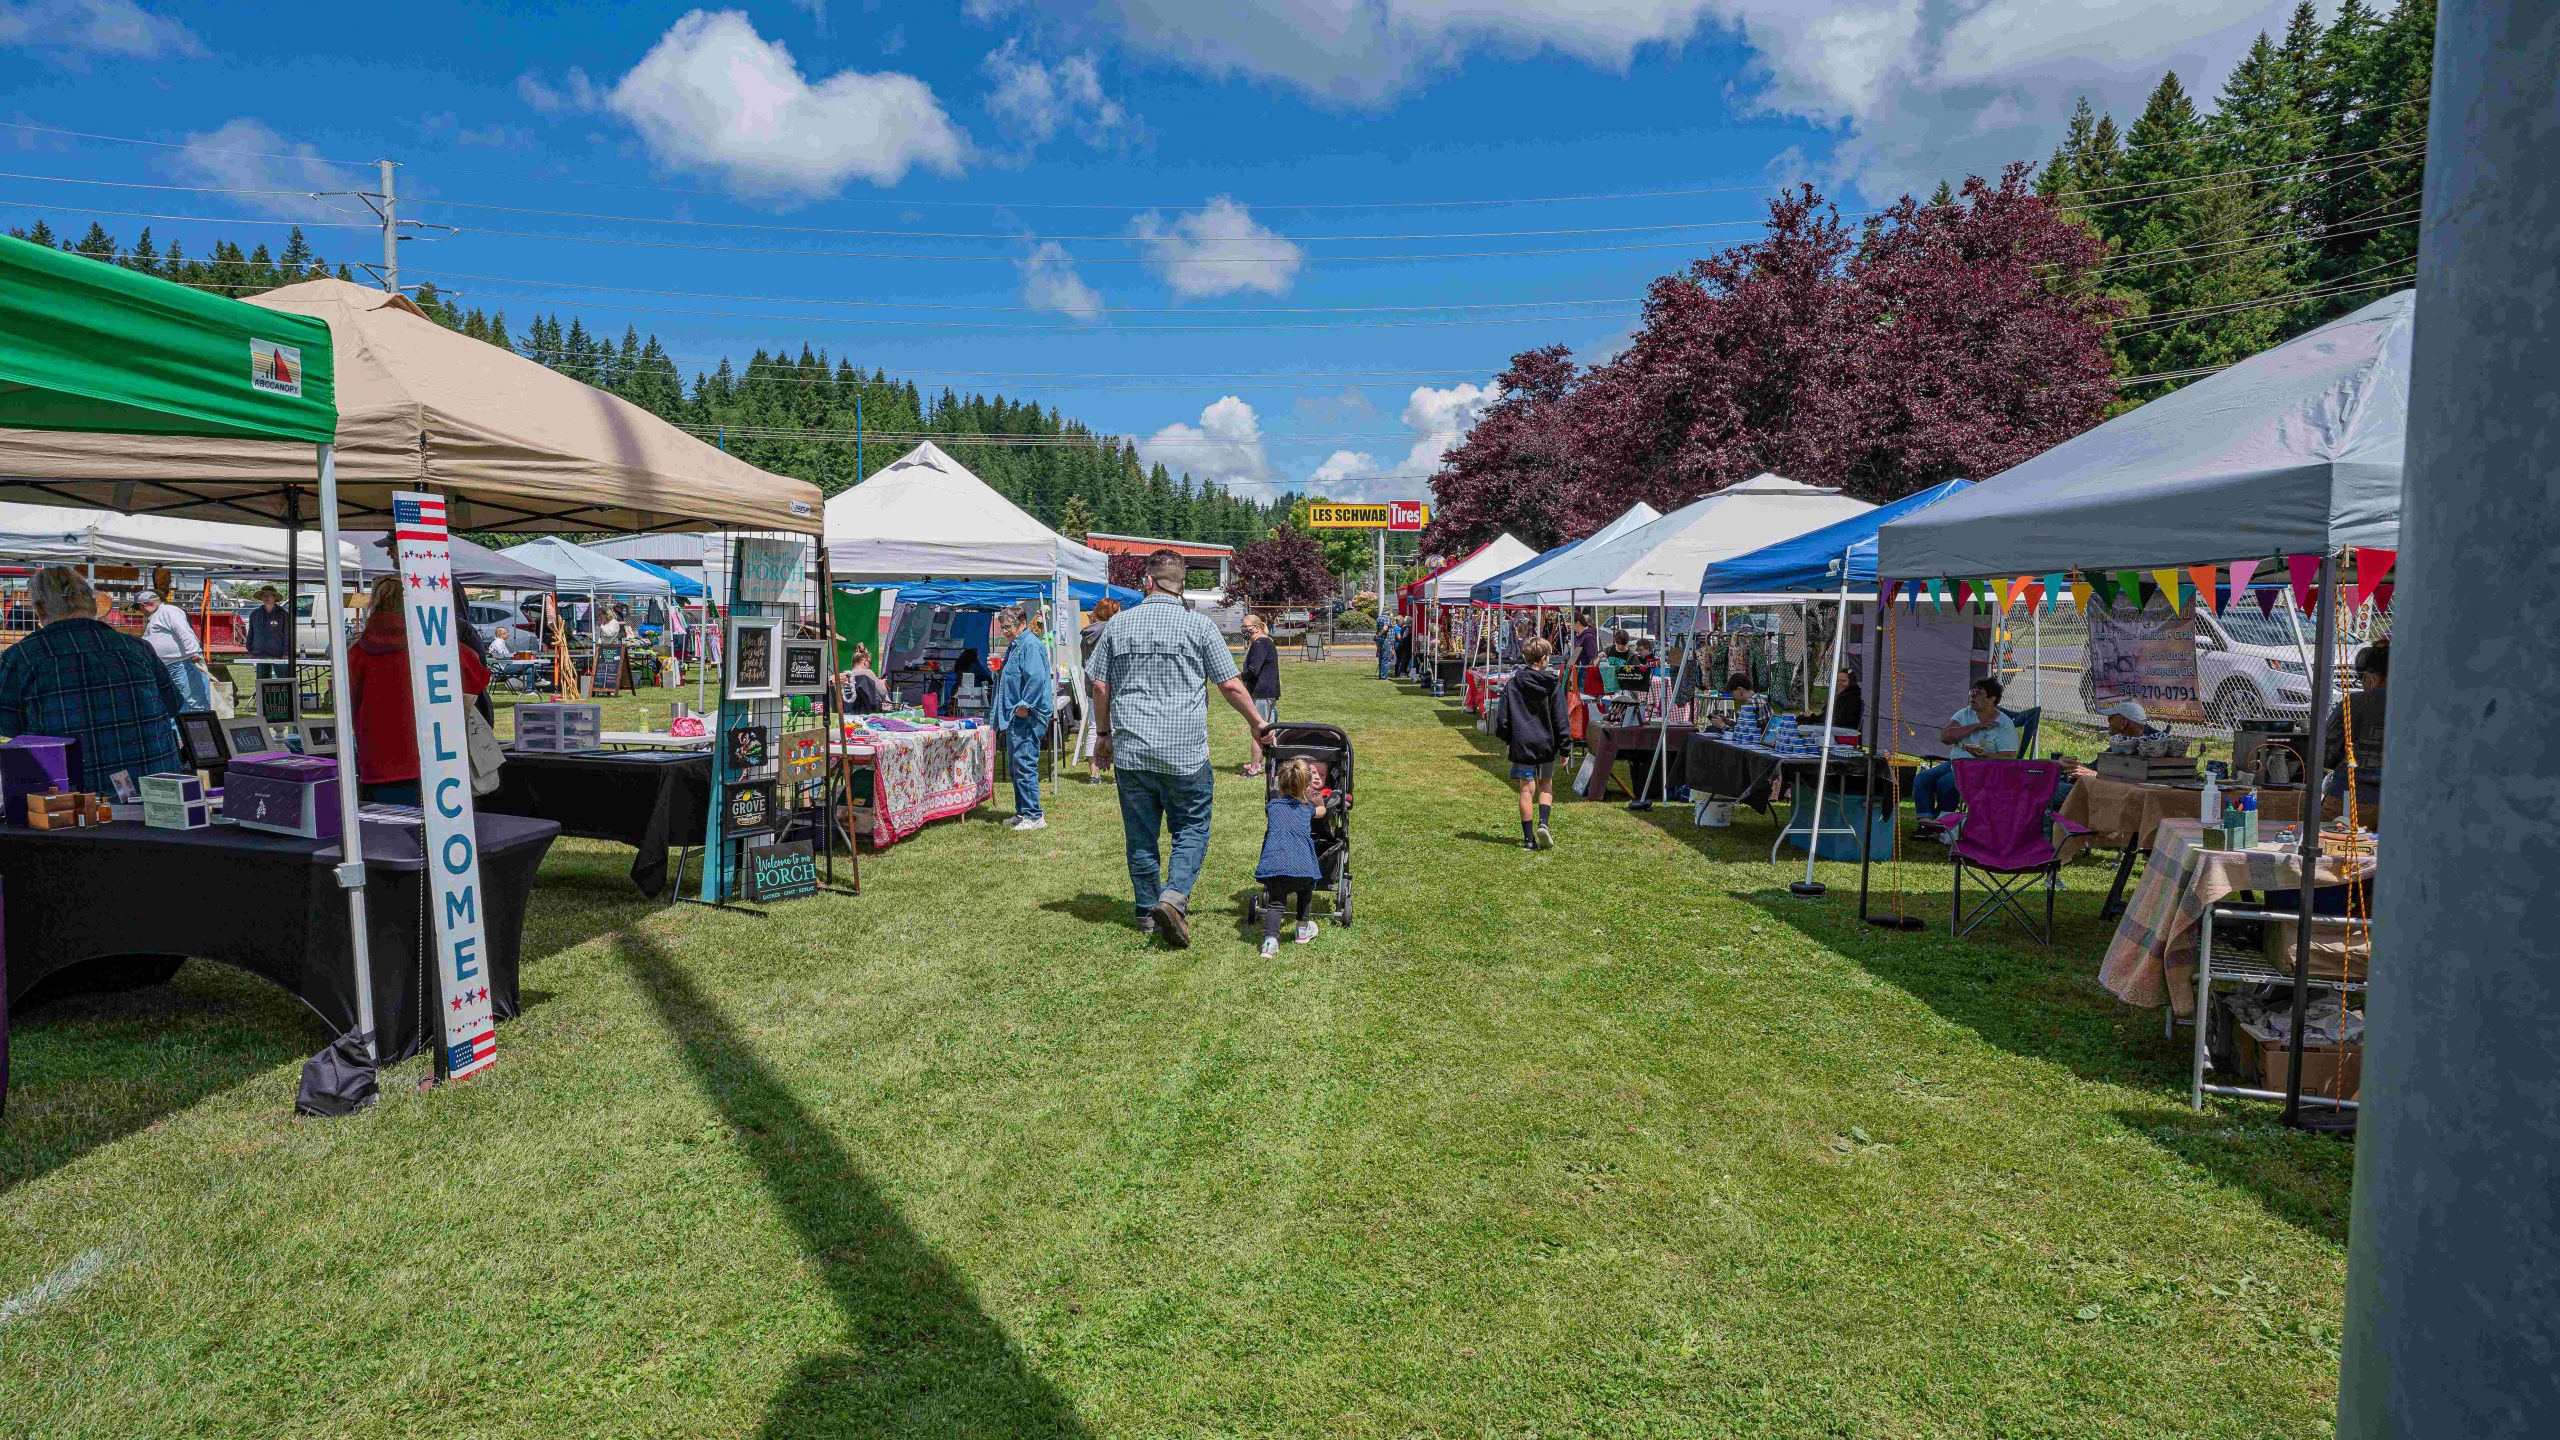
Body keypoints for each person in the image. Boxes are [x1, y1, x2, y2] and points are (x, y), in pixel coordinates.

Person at [1089, 548, 1275, 946]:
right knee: (1191, 828)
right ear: (1182, 585)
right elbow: (1230, 684)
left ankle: (1146, 912)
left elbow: (1100, 686)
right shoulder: (1200, 626)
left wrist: (1102, 735)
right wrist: (1257, 723)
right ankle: (1173, 898)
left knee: (1140, 836)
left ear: (1147, 581)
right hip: (1184, 752)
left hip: (1133, 751)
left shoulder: (1117, 625)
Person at [0, 566, 186, 793]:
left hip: (75, 798)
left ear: (40, 608)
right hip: (157, 791)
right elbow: (173, 704)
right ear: (91, 603)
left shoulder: (22, 657)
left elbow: (9, 725)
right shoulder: (137, 649)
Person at [346, 574, 489, 806]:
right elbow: (478, 677)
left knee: (388, 825)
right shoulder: (434, 646)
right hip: (436, 755)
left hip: (377, 759)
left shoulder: (357, 652)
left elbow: (347, 703)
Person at [1913, 677, 2019, 836]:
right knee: (1922, 778)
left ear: (1992, 699)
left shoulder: (2004, 724)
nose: (1973, 695)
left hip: (1983, 769)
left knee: (1945, 783)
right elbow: (1945, 737)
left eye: (1979, 692)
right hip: (1956, 763)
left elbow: (2009, 757)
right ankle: (1926, 824)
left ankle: (1942, 825)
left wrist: (1985, 755)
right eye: (1972, 691)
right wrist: (1975, 726)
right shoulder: (1965, 714)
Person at [1495, 636, 1570, 851]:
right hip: (1546, 742)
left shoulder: (1513, 683)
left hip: (1522, 741)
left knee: (1526, 789)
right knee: (1546, 783)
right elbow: (1561, 718)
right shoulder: (1552, 684)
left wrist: (1508, 739)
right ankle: (1543, 824)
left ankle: (1528, 839)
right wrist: (1565, 748)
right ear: (1544, 658)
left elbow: (1502, 718)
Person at [1254, 757, 1329, 957]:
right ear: (1305, 786)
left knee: (1276, 903)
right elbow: (1321, 811)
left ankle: (1270, 942)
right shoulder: (1307, 808)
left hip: (1276, 864)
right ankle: (1302, 930)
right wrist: (1318, 800)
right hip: (1301, 865)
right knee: (1305, 891)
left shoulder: (1272, 807)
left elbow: (1278, 806)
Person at [991, 605, 1053, 832]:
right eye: (1002, 627)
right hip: (1015, 714)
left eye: (1008, 627)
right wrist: (998, 671)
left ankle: (1034, 815)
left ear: (1022, 623)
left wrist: (1025, 705)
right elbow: (1015, 675)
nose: (1005, 631)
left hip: (1027, 715)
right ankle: (1022, 812)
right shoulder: (1016, 644)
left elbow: (1036, 678)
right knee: (1016, 765)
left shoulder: (1030, 645)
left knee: (1025, 764)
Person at [2324, 640, 2387, 818]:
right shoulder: (2415, 706)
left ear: (2369, 676)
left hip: (2347, 799)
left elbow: (2326, 754)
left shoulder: (2353, 703)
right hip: (2396, 803)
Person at [137, 589, 213, 712]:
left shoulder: (168, 611)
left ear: (144, 605)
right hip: (172, 665)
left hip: (183, 663)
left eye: (138, 607)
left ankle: (200, 724)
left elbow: (183, 630)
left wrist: (193, 653)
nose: (140, 611)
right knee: (179, 704)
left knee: (195, 702)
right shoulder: (158, 615)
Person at [1077, 599, 1120, 780]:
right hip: (1110, 685)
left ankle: (1094, 773)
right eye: (1117, 612)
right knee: (1114, 728)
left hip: (1091, 687)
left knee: (1094, 727)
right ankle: (1117, 771)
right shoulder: (1111, 631)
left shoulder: (1088, 633)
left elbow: (1084, 662)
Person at [1239, 614, 1281, 776]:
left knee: (1257, 730)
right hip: (1268, 692)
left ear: (1256, 628)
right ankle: (1268, 763)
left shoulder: (1260, 643)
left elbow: (1253, 670)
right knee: (1268, 730)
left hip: (1262, 692)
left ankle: (1255, 767)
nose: (1243, 630)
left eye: (1245, 627)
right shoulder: (1265, 642)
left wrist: (1238, 677)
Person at [244, 585, 293, 679]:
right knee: (262, 681)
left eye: (269, 595)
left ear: (274, 597)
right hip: (260, 653)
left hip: (278, 654)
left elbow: (288, 635)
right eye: (264, 595)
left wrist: (286, 652)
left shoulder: (283, 614)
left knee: (284, 680)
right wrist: (250, 649)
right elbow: (251, 633)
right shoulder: (255, 614)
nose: (266, 598)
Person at [838, 642, 888, 714]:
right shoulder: (867, 673)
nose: (869, 665)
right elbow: (883, 692)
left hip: (850, 711)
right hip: (869, 711)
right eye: (870, 662)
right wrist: (882, 683)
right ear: (865, 662)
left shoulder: (846, 675)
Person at [1827, 664, 1864, 739]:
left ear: (1851, 682)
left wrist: (1813, 718)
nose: (1839, 683)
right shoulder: (1841, 696)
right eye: (1837, 681)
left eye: (1843, 681)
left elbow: (1839, 721)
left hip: (1843, 733)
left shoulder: (1851, 698)